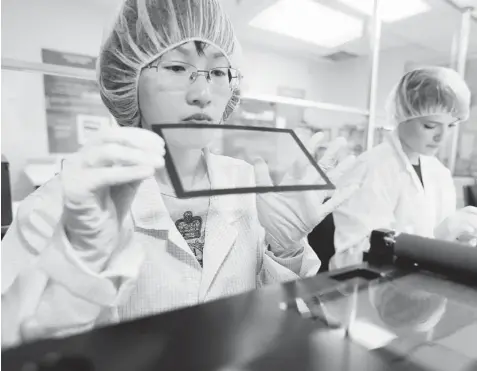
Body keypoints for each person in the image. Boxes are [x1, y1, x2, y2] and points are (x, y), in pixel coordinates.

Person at [1, 0, 355, 348]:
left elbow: (288, 326)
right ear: (127, 77)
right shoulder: (59, 208)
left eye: (217, 72)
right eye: (174, 67)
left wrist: (286, 250)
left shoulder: (249, 183)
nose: (202, 94)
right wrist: (76, 273)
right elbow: (14, 347)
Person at [331, 66, 476, 269]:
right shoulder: (371, 168)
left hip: (423, 287)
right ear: (403, 116)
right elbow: (352, 257)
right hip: (371, 293)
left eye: (451, 126)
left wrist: (461, 239)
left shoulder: (438, 172)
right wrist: (434, 241)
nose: (441, 137)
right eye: (430, 125)